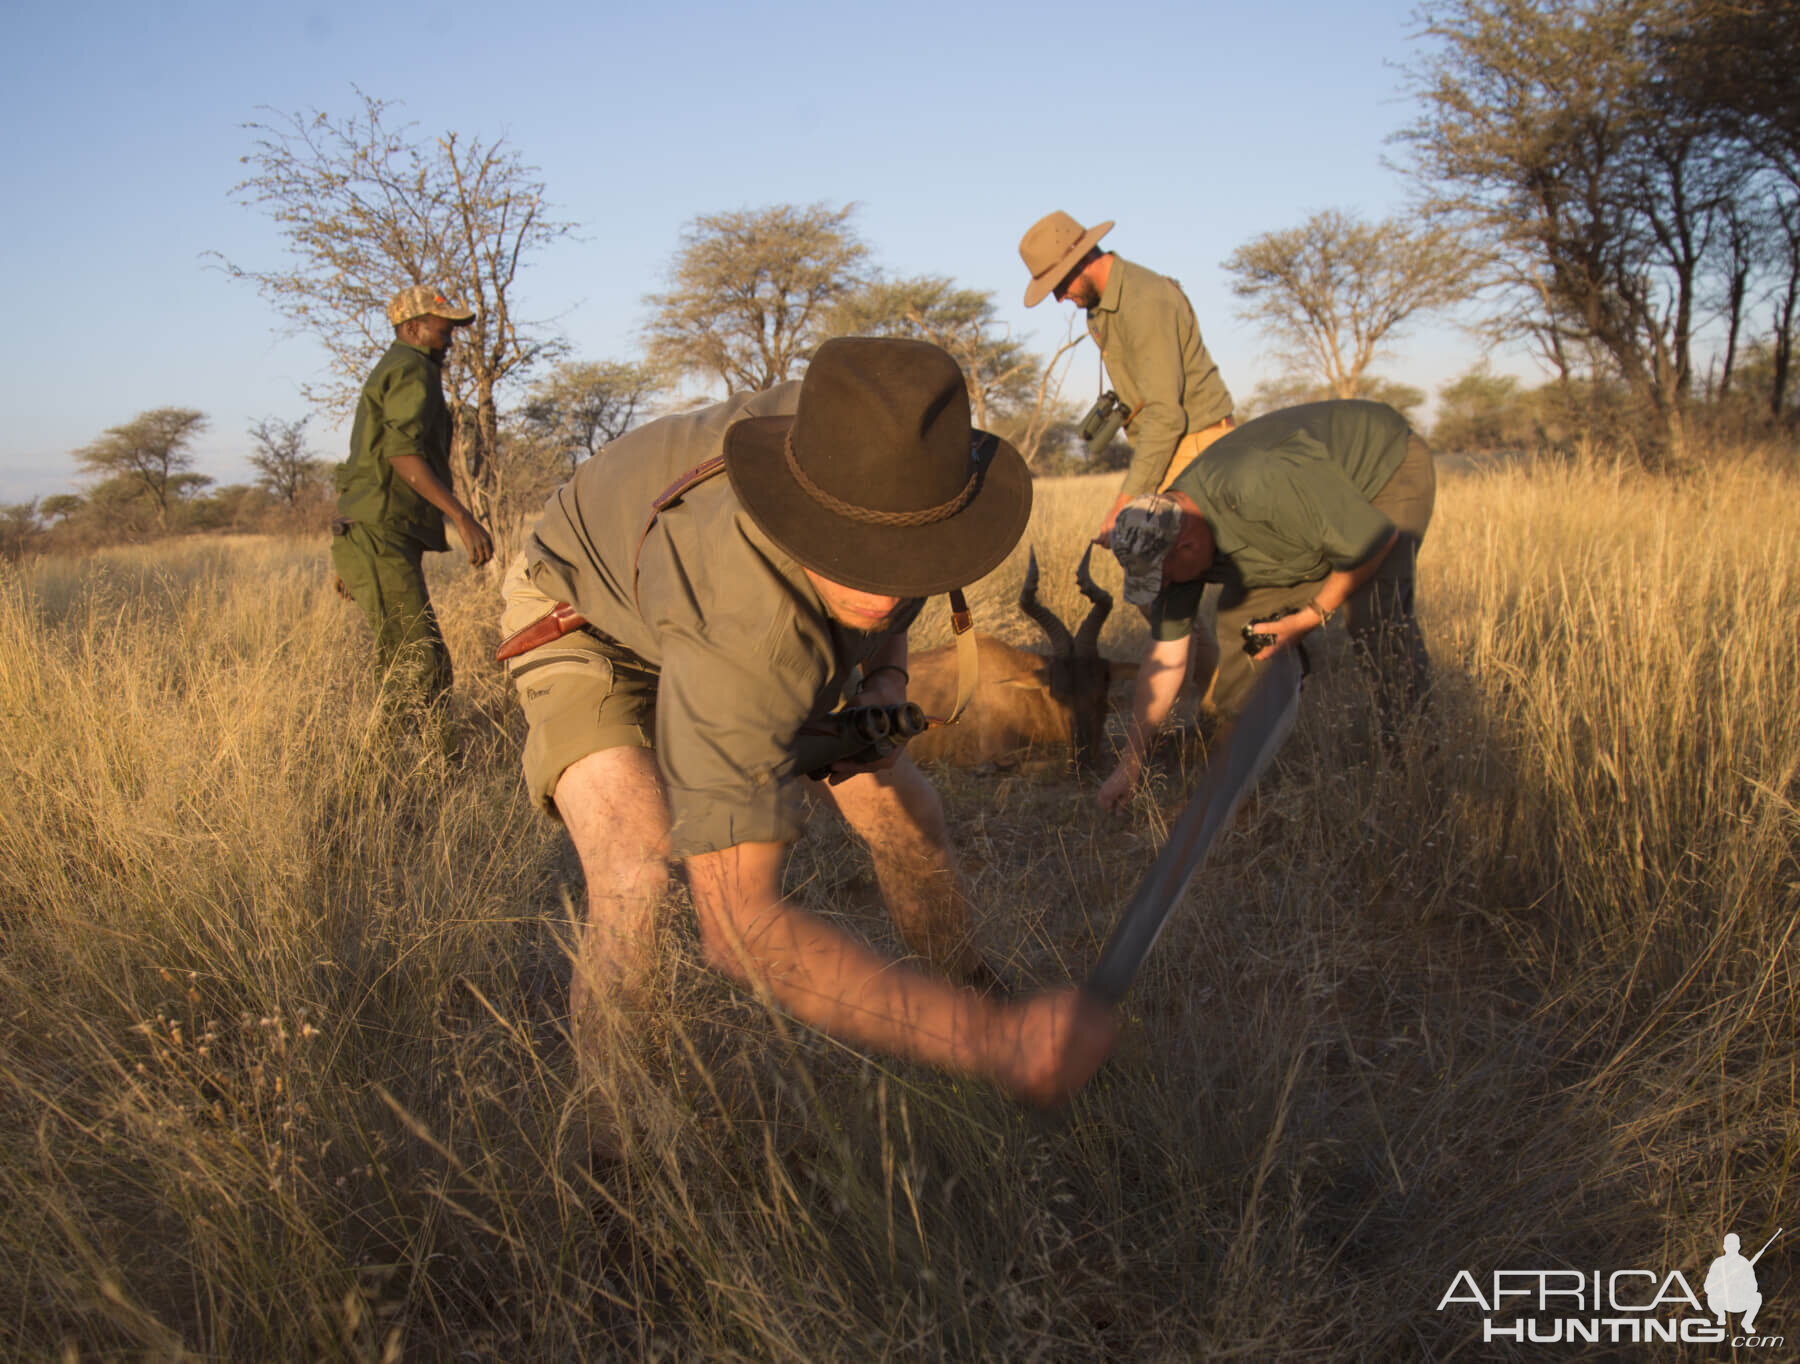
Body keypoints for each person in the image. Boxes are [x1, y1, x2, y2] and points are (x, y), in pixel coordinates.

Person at [498, 337, 1117, 1108]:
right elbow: (738, 927)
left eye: (908, 554)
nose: (885, 588)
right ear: (800, 510)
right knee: (637, 873)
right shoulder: (747, 616)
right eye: (853, 552)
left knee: (903, 807)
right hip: (587, 621)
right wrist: (986, 1047)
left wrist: (885, 674)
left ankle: (975, 992)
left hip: (735, 610)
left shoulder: (892, 453)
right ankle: (614, 1162)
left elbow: (890, 585)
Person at [1099, 399, 1436, 812]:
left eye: (1164, 577)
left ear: (1188, 544)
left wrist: (1312, 615)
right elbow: (1166, 657)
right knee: (1245, 633)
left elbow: (1374, 540)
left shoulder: (1256, 486)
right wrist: (1131, 762)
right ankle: (1231, 778)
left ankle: (1418, 772)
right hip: (1298, 525)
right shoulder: (1166, 542)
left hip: (1381, 471)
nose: (1164, 587)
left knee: (1376, 620)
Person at [330, 284, 494, 705]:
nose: (451, 339)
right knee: (422, 662)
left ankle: (408, 763)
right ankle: (409, 765)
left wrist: (354, 549)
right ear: (414, 328)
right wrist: (462, 517)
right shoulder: (412, 369)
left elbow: (364, 459)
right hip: (380, 535)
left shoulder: (396, 365)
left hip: (373, 534)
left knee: (407, 659)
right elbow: (401, 455)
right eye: (444, 328)